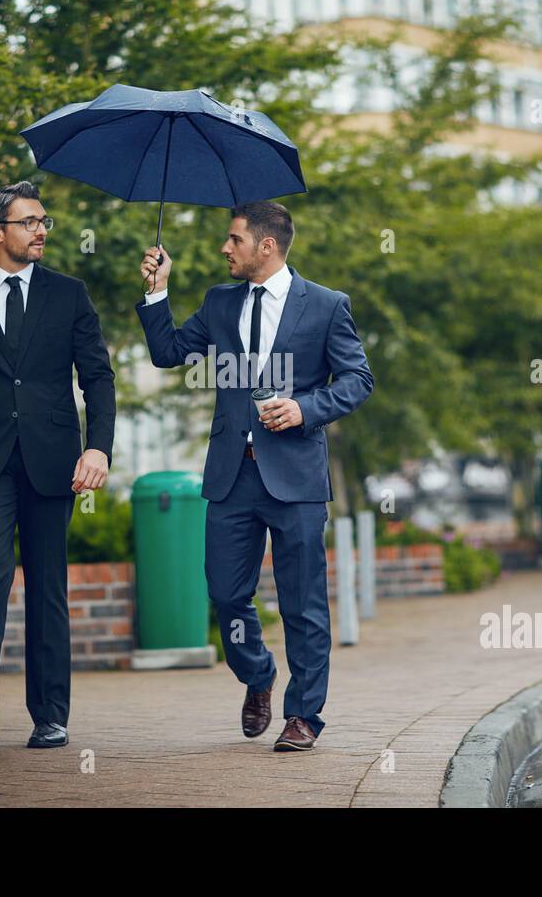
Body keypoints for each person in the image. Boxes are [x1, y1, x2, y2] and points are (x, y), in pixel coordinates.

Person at [136, 200, 372, 750]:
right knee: (225, 593)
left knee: (303, 602)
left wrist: (305, 409)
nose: (225, 248)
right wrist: (156, 291)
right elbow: (167, 353)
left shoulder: (327, 305)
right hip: (231, 476)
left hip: (295, 477)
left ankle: (303, 716)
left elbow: (358, 379)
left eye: (234, 240)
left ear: (266, 246)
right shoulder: (221, 302)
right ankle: (259, 673)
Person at [0, 181, 115, 750]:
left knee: (47, 587)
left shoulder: (69, 294)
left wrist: (98, 446)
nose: (40, 232)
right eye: (29, 222)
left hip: (53, 462)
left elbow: (97, 378)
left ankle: (50, 714)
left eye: (44, 222)